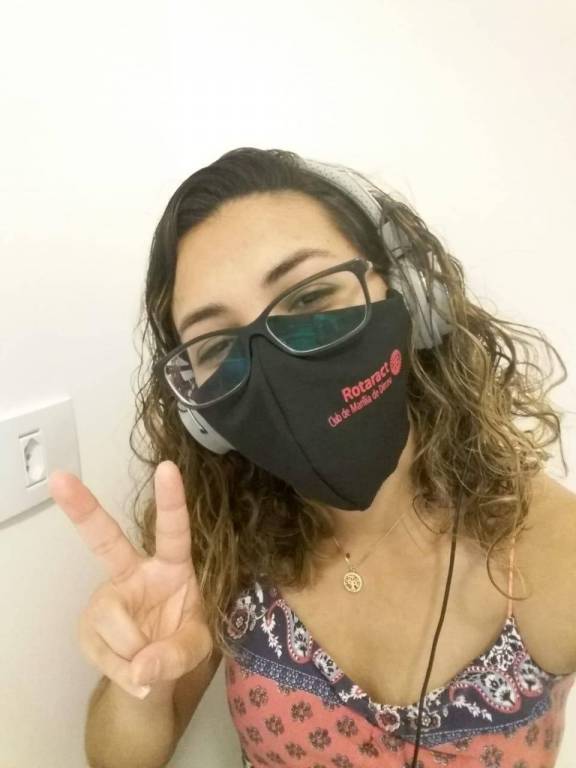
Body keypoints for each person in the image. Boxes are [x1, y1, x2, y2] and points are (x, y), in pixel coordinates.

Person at [48, 147, 576, 768]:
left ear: (412, 296)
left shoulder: (547, 546)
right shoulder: (220, 539)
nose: (276, 364)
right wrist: (142, 679)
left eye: (309, 298)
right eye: (216, 343)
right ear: (199, 412)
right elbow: (120, 759)